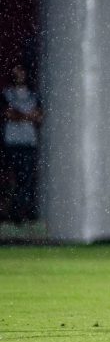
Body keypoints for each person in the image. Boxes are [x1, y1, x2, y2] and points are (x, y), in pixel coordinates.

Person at [1, 64, 43, 223]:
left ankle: (20, 213)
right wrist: (27, 116)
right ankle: (9, 213)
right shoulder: (6, 94)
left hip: (28, 142)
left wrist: (20, 115)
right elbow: (8, 114)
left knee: (27, 180)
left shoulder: (33, 96)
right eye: (16, 71)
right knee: (11, 179)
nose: (19, 74)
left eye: (21, 70)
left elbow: (39, 117)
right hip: (11, 143)